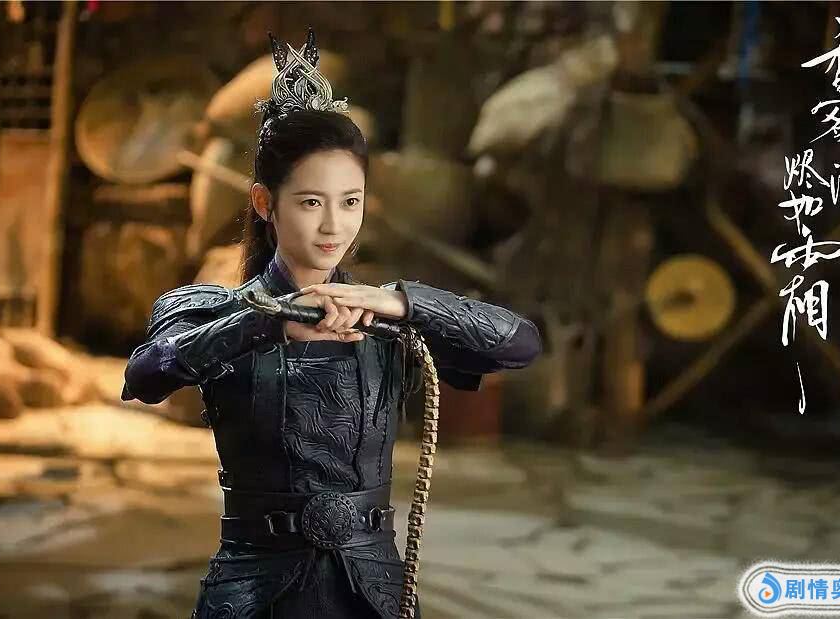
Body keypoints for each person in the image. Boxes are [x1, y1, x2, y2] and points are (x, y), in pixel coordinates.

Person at [121, 29, 542, 619]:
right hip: (254, 591)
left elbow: (521, 344)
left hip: (372, 591)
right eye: (311, 202)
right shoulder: (213, 308)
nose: (334, 226)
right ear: (265, 204)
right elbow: (144, 375)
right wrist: (271, 326)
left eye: (351, 202)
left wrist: (403, 302)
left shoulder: (386, 320)